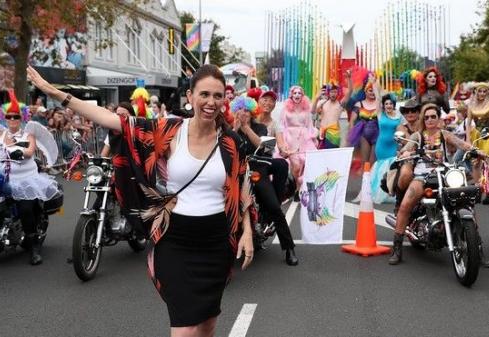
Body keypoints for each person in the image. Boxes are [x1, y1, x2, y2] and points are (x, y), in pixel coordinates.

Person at [27, 64, 253, 337]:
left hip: (217, 243)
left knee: (207, 324)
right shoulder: (168, 130)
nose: (211, 102)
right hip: (175, 240)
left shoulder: (230, 142)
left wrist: (247, 231)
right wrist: (53, 91)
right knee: (184, 330)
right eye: (204, 94)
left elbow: (242, 183)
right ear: (190, 96)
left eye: (218, 96)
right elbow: (112, 120)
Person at [389, 104, 478, 265]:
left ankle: (477, 246)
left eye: (433, 116)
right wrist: (406, 152)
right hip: (423, 176)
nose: (430, 120)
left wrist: (475, 151)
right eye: (427, 117)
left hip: (444, 174)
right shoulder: (417, 136)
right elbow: (406, 149)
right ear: (423, 119)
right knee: (405, 205)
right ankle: (397, 248)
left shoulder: (445, 134)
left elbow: (461, 144)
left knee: (466, 201)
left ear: (438, 119)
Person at [0, 91, 59, 265]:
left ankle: (34, 246)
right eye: (9, 116)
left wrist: (20, 151)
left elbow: (30, 150)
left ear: (22, 117)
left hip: (25, 179)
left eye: (16, 116)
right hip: (4, 177)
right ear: (4, 117)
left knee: (25, 208)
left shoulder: (27, 134)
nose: (12, 119)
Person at [232, 95, 298, 265]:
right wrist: (235, 129)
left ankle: (289, 248)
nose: (244, 113)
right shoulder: (230, 129)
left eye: (247, 110)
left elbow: (262, 146)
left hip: (257, 168)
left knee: (274, 207)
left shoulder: (259, 127)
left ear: (253, 112)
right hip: (235, 172)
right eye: (241, 109)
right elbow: (225, 147)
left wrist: (246, 128)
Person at [275, 85, 318, 196]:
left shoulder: (306, 108)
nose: (297, 95)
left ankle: (299, 187)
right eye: (295, 93)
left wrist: (313, 137)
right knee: (296, 166)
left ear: (302, 96)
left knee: (307, 163)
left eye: (299, 93)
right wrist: (282, 141)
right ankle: (296, 185)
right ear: (291, 95)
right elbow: (280, 124)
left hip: (304, 139)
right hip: (290, 139)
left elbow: (309, 124)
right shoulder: (285, 108)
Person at [370, 94, 401, 204]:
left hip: (394, 146)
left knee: (392, 167)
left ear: (394, 105)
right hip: (381, 146)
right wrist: (374, 83)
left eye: (390, 103)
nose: (388, 105)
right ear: (383, 105)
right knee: (382, 168)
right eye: (386, 104)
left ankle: (391, 192)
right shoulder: (380, 114)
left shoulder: (399, 117)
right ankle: (380, 193)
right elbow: (377, 98)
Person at [348, 73, 382, 165]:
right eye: (370, 91)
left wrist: (374, 83)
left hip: (378, 135)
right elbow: (352, 121)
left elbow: (379, 97)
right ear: (365, 91)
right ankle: (365, 179)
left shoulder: (379, 104)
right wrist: (351, 134)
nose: (372, 93)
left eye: (373, 91)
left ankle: (373, 179)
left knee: (373, 162)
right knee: (365, 163)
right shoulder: (359, 104)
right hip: (364, 136)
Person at [316, 71, 353, 149]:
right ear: (328, 93)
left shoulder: (340, 104)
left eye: (335, 92)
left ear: (338, 93)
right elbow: (315, 112)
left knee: (332, 156)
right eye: (332, 92)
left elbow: (350, 91)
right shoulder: (323, 103)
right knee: (322, 157)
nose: (333, 94)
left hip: (334, 134)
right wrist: (317, 99)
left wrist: (349, 78)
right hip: (322, 133)